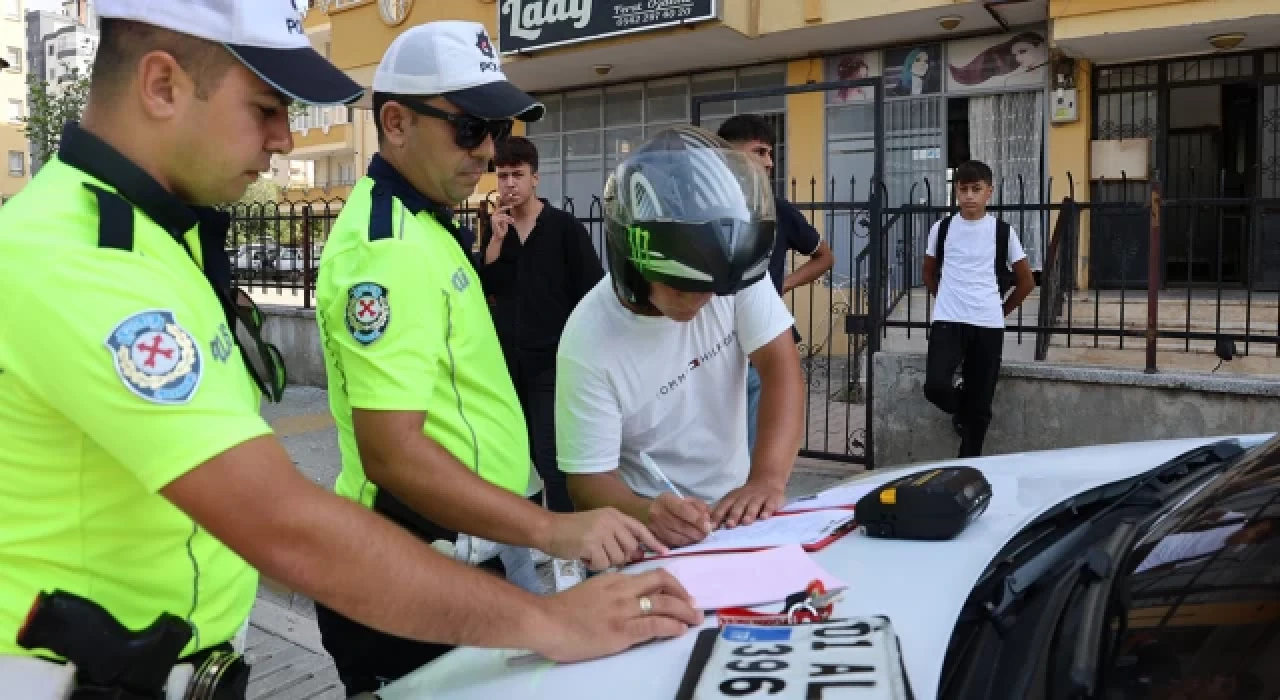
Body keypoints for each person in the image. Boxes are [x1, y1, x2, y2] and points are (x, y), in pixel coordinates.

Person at [0, 3, 699, 698]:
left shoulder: (159, 237)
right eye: (266, 107)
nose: (283, 139)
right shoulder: (81, 257)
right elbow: (284, 522)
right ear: (161, 85)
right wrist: (549, 619)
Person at [311, 21, 678, 692]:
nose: (486, 150)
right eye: (470, 128)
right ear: (395, 122)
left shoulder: (427, 225)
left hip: (460, 555)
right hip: (412, 569)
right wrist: (552, 530)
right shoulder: (386, 248)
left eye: (495, 129)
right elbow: (392, 451)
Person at [555, 125, 807, 548]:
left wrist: (766, 479)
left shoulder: (728, 270)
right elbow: (586, 479)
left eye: (714, 288)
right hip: (649, 529)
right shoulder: (588, 343)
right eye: (681, 286)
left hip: (735, 516)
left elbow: (781, 368)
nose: (703, 300)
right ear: (635, 264)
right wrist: (647, 511)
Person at [480, 136, 604, 515]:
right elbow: (487, 286)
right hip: (506, 359)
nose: (509, 184)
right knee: (517, 451)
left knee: (551, 455)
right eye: (502, 176)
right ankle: (530, 533)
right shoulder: (495, 227)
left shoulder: (564, 228)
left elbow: (593, 292)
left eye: (517, 175)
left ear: (535, 178)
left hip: (552, 358)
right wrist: (495, 242)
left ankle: (567, 535)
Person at [717, 115, 834, 454]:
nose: (769, 163)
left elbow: (824, 257)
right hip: (711, 347)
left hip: (762, 343)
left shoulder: (778, 211)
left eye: (772, 154)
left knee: (757, 452)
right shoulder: (702, 211)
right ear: (727, 154)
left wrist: (781, 285)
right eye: (760, 152)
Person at [921, 160, 1035, 458]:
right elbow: (928, 272)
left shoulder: (1003, 232)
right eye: (963, 189)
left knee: (982, 405)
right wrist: (944, 297)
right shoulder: (942, 228)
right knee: (935, 386)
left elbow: (1026, 282)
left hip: (987, 325)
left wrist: (1001, 311)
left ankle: (967, 465)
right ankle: (963, 409)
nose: (969, 196)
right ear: (955, 192)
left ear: (989, 192)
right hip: (948, 321)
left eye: (976, 189)